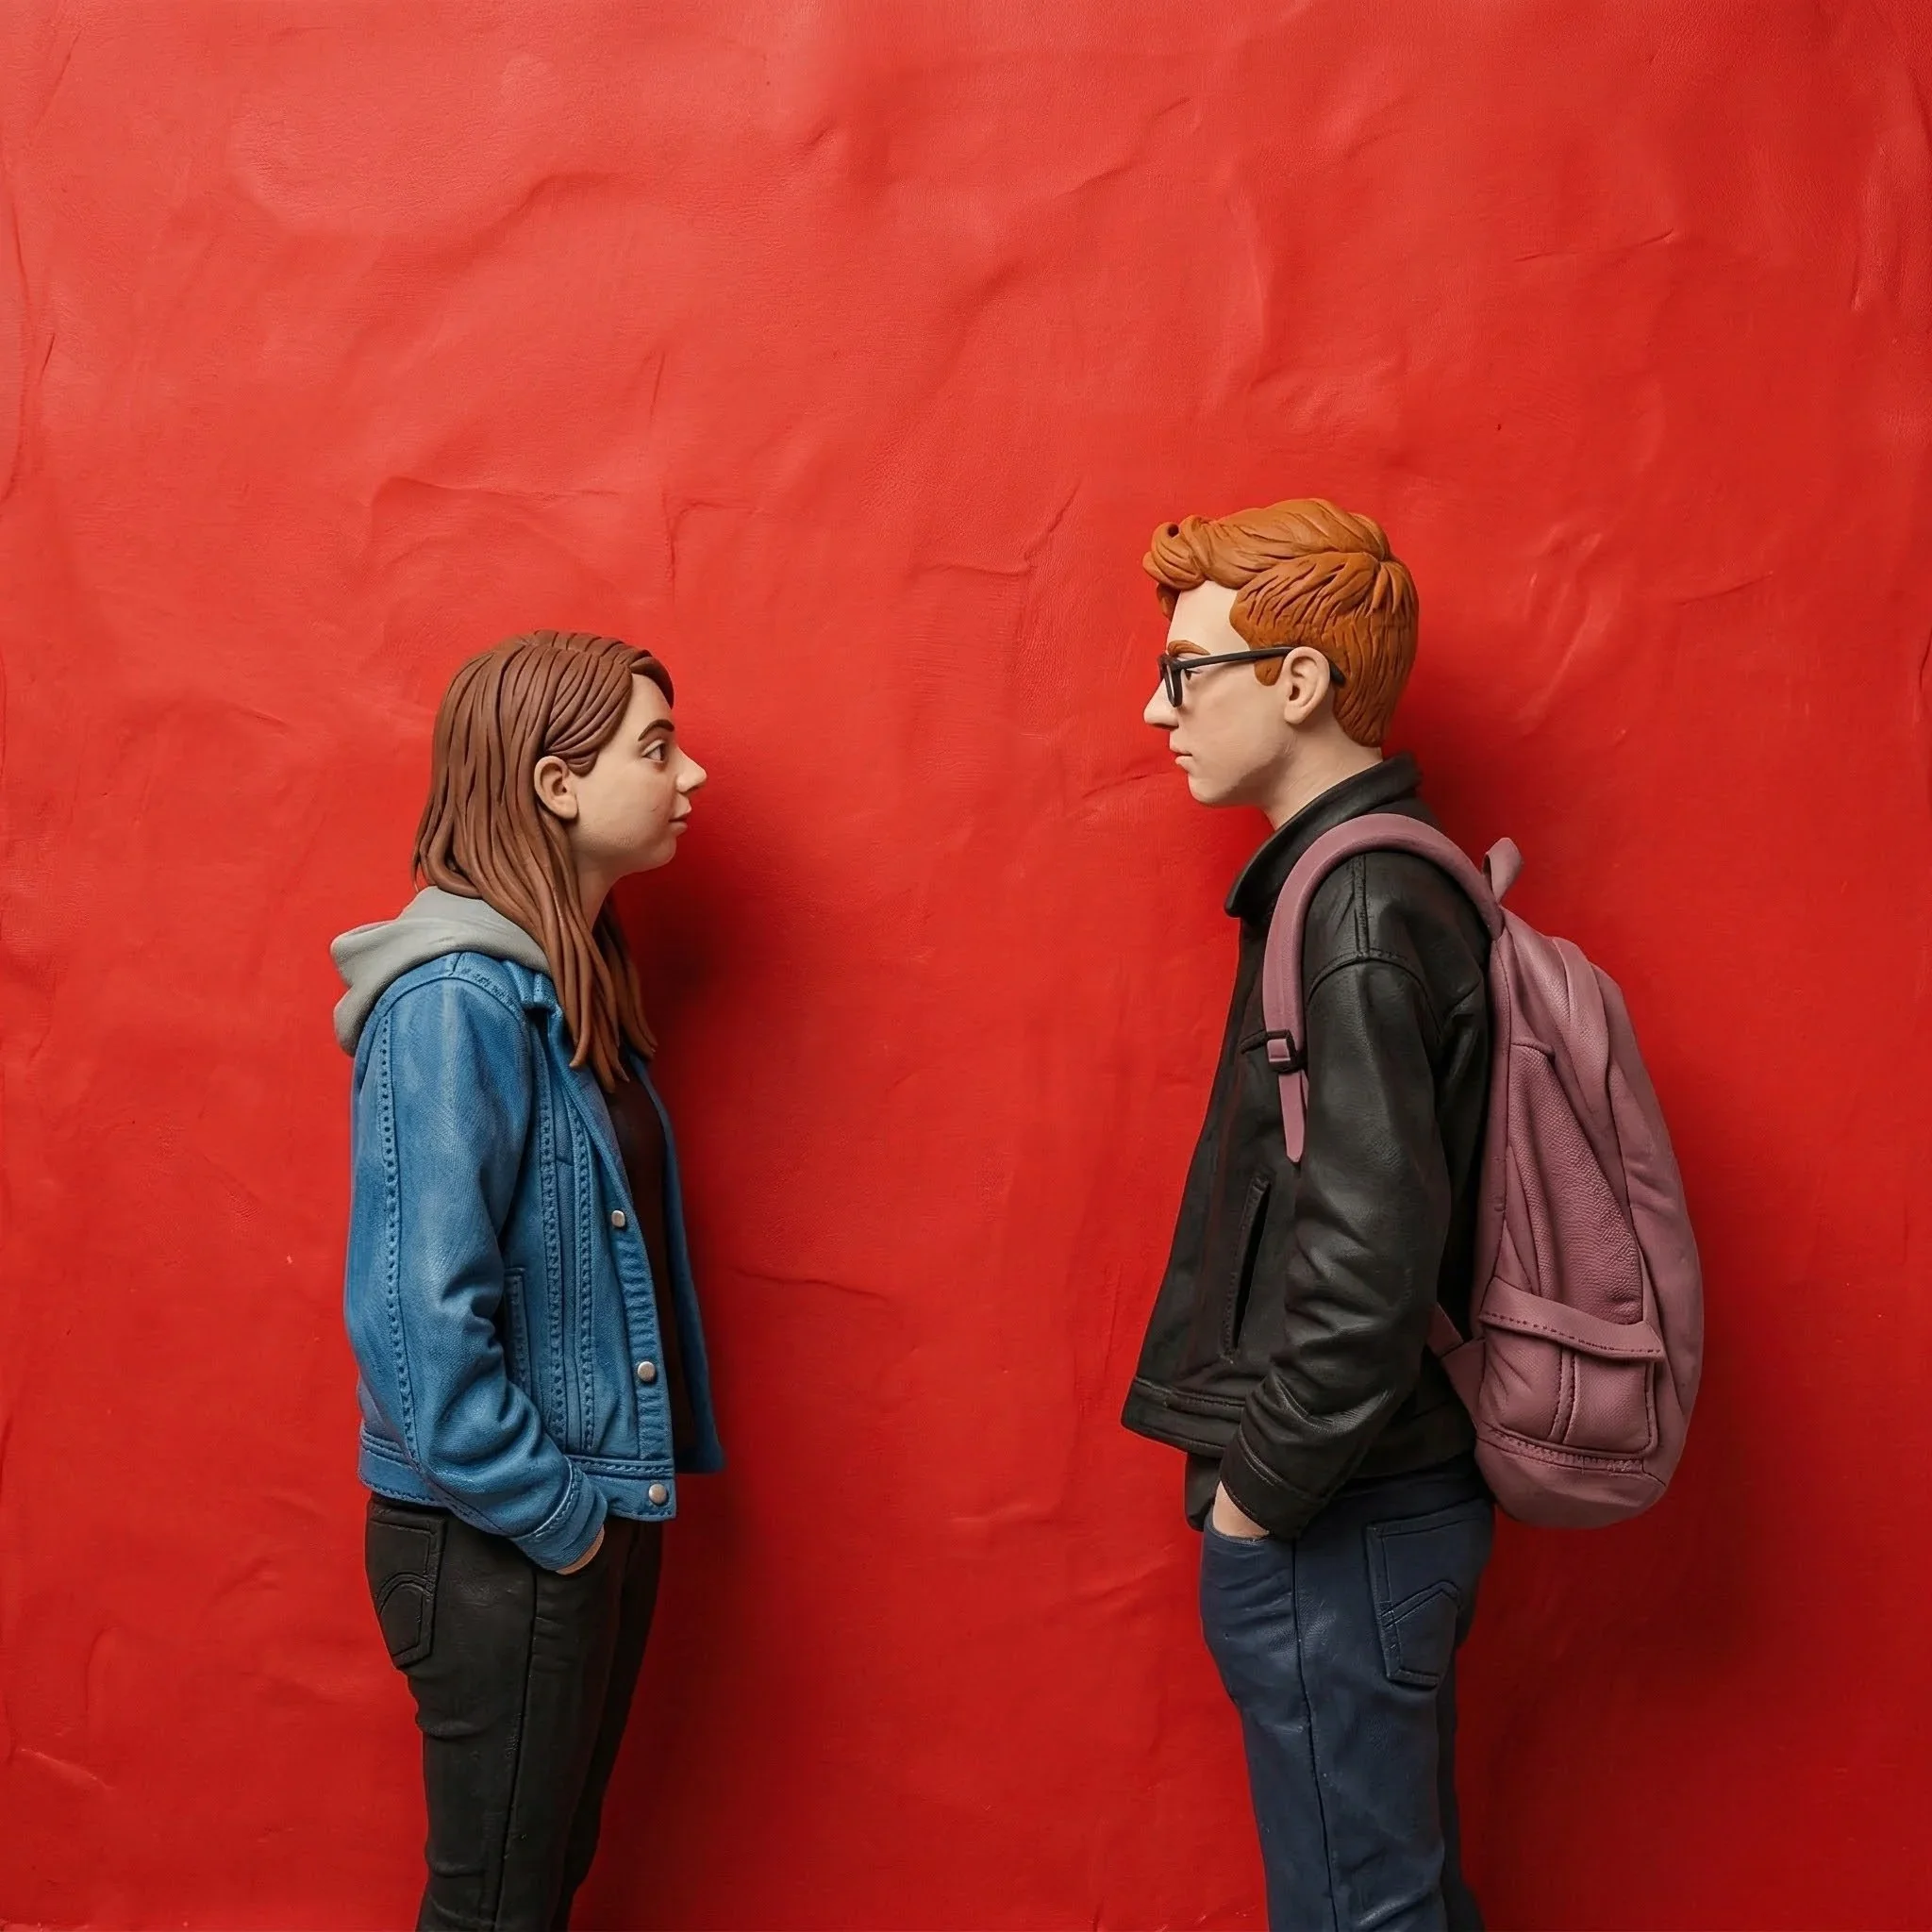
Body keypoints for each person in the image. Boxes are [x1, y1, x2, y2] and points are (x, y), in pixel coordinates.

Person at [1121, 502, 1496, 1930]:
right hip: (1377, 1497)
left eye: (1185, 670)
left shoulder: (1352, 910)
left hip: (1340, 1510)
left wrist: (1258, 1499)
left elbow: (1369, 1261)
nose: (1156, 709)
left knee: (1358, 1911)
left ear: (1297, 682)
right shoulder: (1373, 883)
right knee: (1391, 1898)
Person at [330, 629, 723, 1931]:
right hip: (502, 1539)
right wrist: (564, 1524)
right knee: (496, 1908)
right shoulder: (454, 1003)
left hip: (570, 1522)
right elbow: (417, 1329)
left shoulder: (563, 985)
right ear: (557, 784)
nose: (690, 776)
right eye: (656, 749)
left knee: (532, 1893)